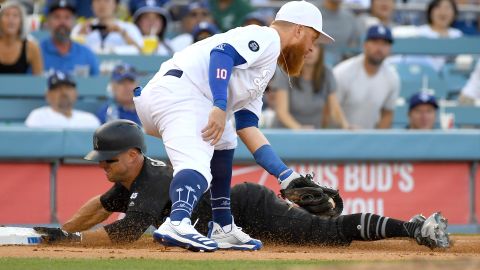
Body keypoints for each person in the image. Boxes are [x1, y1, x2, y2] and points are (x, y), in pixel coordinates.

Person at [33, 120, 451, 250]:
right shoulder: (134, 176)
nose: (103, 167)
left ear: (131, 155)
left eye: (107, 160)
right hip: (229, 218)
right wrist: (65, 229)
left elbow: (124, 233)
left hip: (247, 209)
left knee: (324, 234)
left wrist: (71, 243)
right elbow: (102, 205)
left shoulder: (156, 178)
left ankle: (414, 228)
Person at [132, 0, 340, 252]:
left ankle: (222, 226)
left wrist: (285, 176)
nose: (310, 49)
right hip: (178, 93)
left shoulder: (262, 68)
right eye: (312, 38)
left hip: (178, 98)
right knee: (197, 162)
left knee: (226, 138)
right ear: (297, 30)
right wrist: (219, 106)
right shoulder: (266, 36)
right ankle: (177, 221)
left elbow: (247, 127)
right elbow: (221, 53)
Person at [269, 42, 349, 129]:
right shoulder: (286, 72)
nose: (311, 50)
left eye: (316, 45)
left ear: (321, 50)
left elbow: (335, 109)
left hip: (313, 135)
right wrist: (299, 129)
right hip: (286, 134)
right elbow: (281, 112)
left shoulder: (327, 74)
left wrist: (346, 126)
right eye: (306, 45)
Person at [334, 24, 400, 129]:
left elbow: (387, 113)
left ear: (390, 49)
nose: (379, 48)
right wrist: (346, 127)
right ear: (365, 45)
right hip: (339, 135)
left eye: (385, 44)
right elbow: (332, 107)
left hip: (370, 139)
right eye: (375, 42)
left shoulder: (392, 77)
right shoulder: (342, 72)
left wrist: (378, 140)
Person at [41, 0, 100, 76]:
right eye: (57, 17)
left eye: (67, 17)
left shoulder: (87, 55)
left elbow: (97, 85)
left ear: (74, 22)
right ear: (48, 22)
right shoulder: (37, 52)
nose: (62, 22)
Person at [25, 71, 101, 128]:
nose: (64, 92)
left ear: (76, 93)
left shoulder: (90, 120)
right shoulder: (38, 117)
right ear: (47, 95)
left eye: (68, 88)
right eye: (57, 89)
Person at [71, 0, 144, 54]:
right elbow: (67, 52)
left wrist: (123, 34)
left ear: (116, 5)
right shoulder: (81, 27)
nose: (102, 5)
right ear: (91, 5)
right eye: (97, 1)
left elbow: (143, 53)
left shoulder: (129, 28)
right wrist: (79, 35)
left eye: (106, 1)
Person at [0, 1, 43, 75]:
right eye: (7, 15)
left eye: (15, 15)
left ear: (21, 22)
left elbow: (38, 80)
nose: (11, 19)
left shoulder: (32, 47)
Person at [319, 0, 361, 65]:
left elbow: (355, 49)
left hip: (342, 69)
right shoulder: (311, 12)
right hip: (313, 68)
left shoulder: (350, 18)